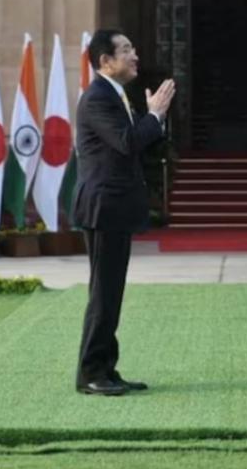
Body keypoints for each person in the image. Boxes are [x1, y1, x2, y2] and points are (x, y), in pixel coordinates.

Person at [72, 29, 175, 396]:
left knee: (111, 292)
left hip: (114, 207)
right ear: (105, 61)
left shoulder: (115, 94)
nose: (135, 55)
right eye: (127, 50)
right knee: (103, 293)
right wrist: (155, 114)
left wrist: (155, 120)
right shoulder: (98, 98)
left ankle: (106, 369)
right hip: (104, 207)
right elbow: (127, 142)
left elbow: (136, 146)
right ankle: (91, 373)